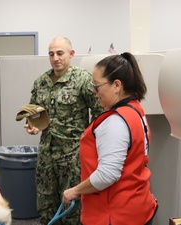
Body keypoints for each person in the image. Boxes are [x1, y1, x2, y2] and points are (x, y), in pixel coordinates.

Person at [62, 52, 158, 225]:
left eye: (97, 86)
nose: (93, 91)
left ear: (116, 85)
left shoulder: (115, 122)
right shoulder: (135, 110)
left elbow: (107, 175)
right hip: (138, 206)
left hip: (114, 215)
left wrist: (75, 191)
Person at [25, 36, 103, 225]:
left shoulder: (83, 79)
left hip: (73, 156)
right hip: (47, 155)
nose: (55, 58)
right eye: (51, 54)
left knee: (72, 209)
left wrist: (90, 139)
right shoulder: (41, 82)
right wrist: (33, 127)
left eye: (60, 53)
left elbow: (101, 110)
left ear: (71, 54)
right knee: (46, 206)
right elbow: (35, 113)